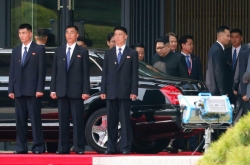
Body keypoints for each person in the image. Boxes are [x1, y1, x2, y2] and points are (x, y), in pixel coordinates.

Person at [50, 25, 90, 154]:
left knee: (78, 120)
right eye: (67, 32)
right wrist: (53, 89)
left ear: (77, 35)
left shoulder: (82, 51)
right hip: (61, 90)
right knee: (63, 121)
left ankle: (79, 147)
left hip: (77, 91)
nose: (69, 35)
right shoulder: (59, 51)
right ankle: (63, 148)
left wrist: (85, 91)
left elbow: (85, 73)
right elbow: (54, 72)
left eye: (72, 32)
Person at [8, 23, 46, 154]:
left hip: (33, 90)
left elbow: (42, 71)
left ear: (30, 34)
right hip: (18, 90)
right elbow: (12, 71)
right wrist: (11, 89)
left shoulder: (39, 49)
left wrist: (40, 88)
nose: (21, 36)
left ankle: (38, 147)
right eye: (20, 33)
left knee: (35, 120)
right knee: (20, 121)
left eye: (24, 33)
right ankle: (21, 147)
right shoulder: (16, 50)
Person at [100, 26, 138, 155]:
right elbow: (104, 73)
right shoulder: (109, 53)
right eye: (115, 35)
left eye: (120, 34)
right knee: (111, 121)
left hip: (125, 91)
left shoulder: (132, 53)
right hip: (111, 91)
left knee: (125, 121)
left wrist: (134, 91)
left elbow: (134, 74)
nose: (117, 37)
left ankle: (126, 147)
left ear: (126, 36)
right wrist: (103, 90)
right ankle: (111, 147)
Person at [206, 26, 230, 96]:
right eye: (227, 36)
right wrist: (223, 92)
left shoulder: (215, 48)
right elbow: (219, 72)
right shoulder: (218, 50)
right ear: (220, 36)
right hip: (217, 90)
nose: (229, 38)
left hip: (214, 88)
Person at [224, 29, 243, 106]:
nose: (234, 39)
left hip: (241, 88)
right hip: (228, 88)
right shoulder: (225, 52)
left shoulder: (246, 51)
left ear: (241, 38)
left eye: (237, 37)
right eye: (232, 37)